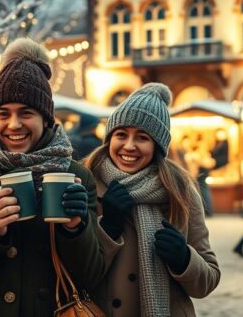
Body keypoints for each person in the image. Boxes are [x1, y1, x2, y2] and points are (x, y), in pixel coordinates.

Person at [0, 38, 103, 316]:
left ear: (46, 119)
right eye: (3, 114)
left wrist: (75, 229)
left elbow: (91, 277)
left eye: (26, 113)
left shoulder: (75, 176)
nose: (14, 124)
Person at [84, 83, 220, 316]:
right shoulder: (85, 181)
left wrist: (184, 259)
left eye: (142, 137)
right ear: (109, 138)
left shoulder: (180, 190)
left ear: (157, 145)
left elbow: (208, 280)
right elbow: (75, 273)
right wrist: (107, 230)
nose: (129, 146)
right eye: (121, 135)